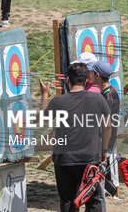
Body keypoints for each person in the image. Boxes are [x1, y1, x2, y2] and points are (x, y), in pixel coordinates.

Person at [39, 63, 111, 212]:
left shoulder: (58, 101)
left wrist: (45, 93)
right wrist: (104, 149)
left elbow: (41, 119)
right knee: (93, 199)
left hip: (64, 160)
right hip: (91, 158)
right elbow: (107, 126)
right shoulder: (98, 99)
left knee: (67, 200)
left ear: (67, 80)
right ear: (86, 81)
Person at [89, 60, 121, 193]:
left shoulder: (107, 96)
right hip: (105, 140)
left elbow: (105, 124)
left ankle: (110, 191)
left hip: (103, 141)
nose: (88, 75)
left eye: (91, 72)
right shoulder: (109, 92)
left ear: (97, 75)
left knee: (98, 175)